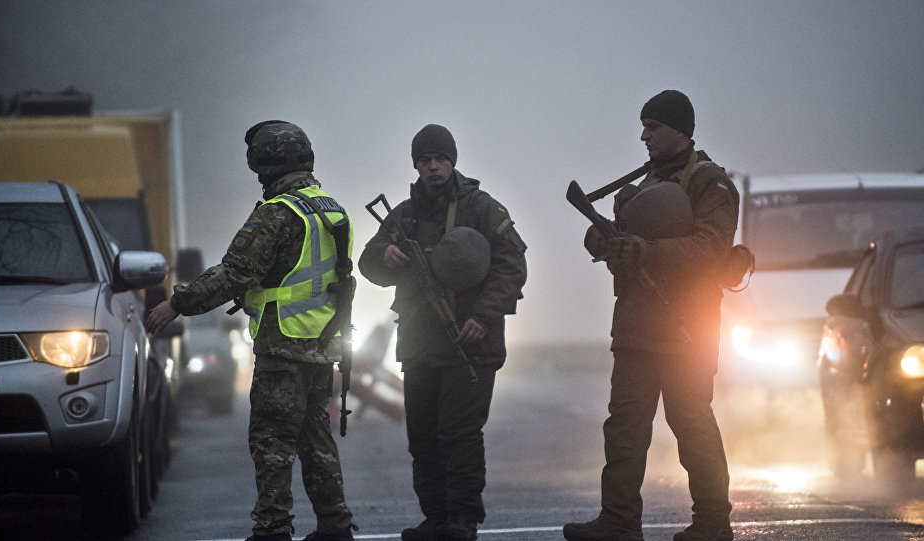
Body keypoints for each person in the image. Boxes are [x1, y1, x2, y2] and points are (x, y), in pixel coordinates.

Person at [146, 120, 357, 541]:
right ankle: (335, 526)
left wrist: (177, 303)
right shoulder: (332, 208)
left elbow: (235, 273)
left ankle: (273, 529)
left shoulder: (278, 213)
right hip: (321, 346)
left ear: (264, 162)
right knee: (316, 438)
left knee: (272, 442)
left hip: (282, 347)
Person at [563, 90, 737, 541]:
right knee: (624, 428)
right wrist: (603, 240)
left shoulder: (710, 185)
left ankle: (713, 525)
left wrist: (647, 250)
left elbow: (710, 249)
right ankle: (619, 523)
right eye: (643, 126)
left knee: (692, 424)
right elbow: (622, 236)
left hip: (687, 331)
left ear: (681, 129)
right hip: (637, 327)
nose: (644, 135)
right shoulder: (645, 186)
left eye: (653, 126)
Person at [358, 124, 527, 541]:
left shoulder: (481, 209)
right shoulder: (404, 214)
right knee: (423, 437)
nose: (433, 167)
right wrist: (386, 255)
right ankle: (435, 518)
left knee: (459, 435)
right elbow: (367, 263)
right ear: (416, 164)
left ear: (452, 161)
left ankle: (462, 520)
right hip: (419, 343)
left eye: (440, 159)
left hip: (471, 342)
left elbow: (512, 266)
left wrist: (483, 316)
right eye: (425, 160)